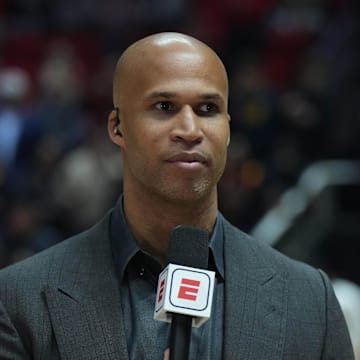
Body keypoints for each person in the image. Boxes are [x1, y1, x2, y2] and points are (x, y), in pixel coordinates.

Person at [0, 32, 354, 360]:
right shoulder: (19, 298)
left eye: (207, 109)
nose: (189, 130)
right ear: (117, 127)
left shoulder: (311, 301)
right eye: (164, 107)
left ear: (228, 129)